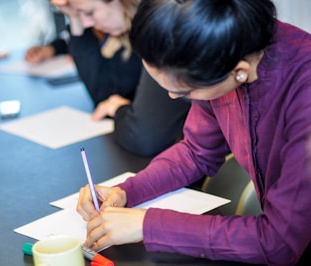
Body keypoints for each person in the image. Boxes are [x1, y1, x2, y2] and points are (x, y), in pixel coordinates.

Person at [76, 0, 311, 265]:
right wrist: (126, 191)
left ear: (239, 72)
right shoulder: (217, 50)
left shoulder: (304, 90)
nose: (172, 96)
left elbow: (278, 242)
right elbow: (196, 152)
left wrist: (148, 225)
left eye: (185, 91)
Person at [25, 0, 191, 157]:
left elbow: (143, 136)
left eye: (89, 12)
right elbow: (103, 94)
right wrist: (74, 16)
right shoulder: (125, 35)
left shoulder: (165, 28)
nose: (87, 23)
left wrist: (120, 110)